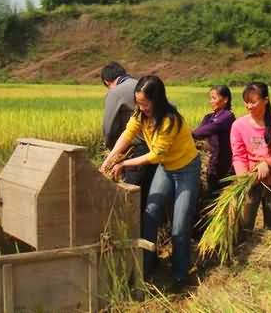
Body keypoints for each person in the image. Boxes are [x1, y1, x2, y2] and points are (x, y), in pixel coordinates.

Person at [100, 75, 201, 287]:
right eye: (138, 103)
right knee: (150, 214)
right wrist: (109, 160)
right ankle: (145, 267)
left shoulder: (170, 120)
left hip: (186, 170)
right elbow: (127, 135)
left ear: (156, 100)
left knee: (180, 224)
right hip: (166, 168)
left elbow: (155, 155)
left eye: (145, 104)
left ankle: (180, 275)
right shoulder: (140, 115)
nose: (141, 107)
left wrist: (124, 164)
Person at [230, 82, 271, 231]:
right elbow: (238, 155)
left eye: (253, 102)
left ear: (266, 100)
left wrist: (267, 163)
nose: (249, 106)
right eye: (246, 102)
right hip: (249, 181)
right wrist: (244, 178)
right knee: (244, 228)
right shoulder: (238, 125)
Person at [101, 62, 156, 212]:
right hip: (157, 147)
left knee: (133, 195)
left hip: (138, 150)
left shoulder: (116, 92)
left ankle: (134, 232)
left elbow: (108, 128)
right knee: (149, 194)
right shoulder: (145, 85)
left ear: (107, 82)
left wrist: (113, 152)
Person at [193, 85, 235, 197]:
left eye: (214, 98)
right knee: (210, 197)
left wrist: (188, 134)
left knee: (222, 198)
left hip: (226, 167)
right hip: (212, 166)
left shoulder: (228, 116)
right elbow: (199, 133)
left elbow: (210, 129)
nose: (211, 101)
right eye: (210, 98)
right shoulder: (208, 117)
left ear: (225, 99)